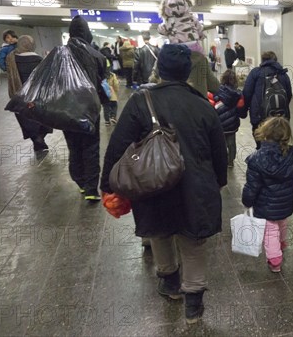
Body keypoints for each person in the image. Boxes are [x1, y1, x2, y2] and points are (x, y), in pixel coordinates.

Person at [100, 44, 228, 324]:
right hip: (195, 186)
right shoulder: (201, 104)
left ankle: (170, 283)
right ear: (186, 72)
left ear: (159, 70)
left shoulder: (140, 101)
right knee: (193, 242)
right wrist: (219, 182)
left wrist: (106, 183)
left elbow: (118, 144)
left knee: (159, 232)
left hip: (152, 182)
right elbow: (220, 151)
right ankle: (193, 304)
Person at [242, 117, 293, 272]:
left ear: (264, 134)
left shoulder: (255, 159)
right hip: (285, 203)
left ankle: (275, 260)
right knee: (282, 223)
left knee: (270, 230)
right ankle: (281, 243)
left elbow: (251, 186)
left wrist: (247, 201)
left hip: (265, 206)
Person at [65, 15, 107, 201]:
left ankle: (80, 182)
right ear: (88, 33)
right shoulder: (97, 55)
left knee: (74, 147)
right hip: (90, 109)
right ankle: (91, 188)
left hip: (66, 109)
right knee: (91, 147)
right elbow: (103, 82)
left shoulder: (60, 53)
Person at [5, 35, 52, 152]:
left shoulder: (12, 60)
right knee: (42, 120)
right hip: (37, 97)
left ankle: (36, 139)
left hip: (20, 96)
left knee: (26, 120)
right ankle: (39, 138)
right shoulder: (39, 60)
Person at [242, 51, 292, 148]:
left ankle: (261, 156)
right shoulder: (283, 74)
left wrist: (243, 111)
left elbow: (246, 93)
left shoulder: (255, 73)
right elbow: (289, 95)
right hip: (280, 116)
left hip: (260, 115)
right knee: (280, 143)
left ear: (262, 60)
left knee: (261, 142)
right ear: (275, 60)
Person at [210, 69, 244, 168]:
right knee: (231, 143)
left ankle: (222, 160)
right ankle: (231, 161)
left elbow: (212, 105)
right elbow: (241, 110)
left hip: (219, 123)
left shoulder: (217, 91)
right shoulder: (238, 94)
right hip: (232, 124)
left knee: (221, 143)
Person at [102, 60, 120, 126]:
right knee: (114, 105)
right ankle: (113, 116)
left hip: (104, 94)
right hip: (111, 93)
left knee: (106, 108)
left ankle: (107, 121)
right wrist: (116, 91)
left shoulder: (101, 75)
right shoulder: (112, 75)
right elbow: (116, 84)